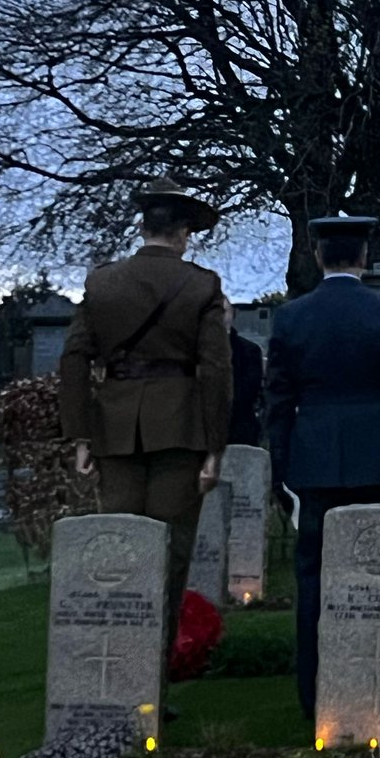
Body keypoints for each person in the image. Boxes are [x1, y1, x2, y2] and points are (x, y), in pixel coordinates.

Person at [59, 177, 232, 653]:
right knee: (168, 559)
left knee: (115, 556)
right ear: (182, 234)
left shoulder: (101, 282)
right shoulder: (201, 285)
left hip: (113, 432)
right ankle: (151, 679)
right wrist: (215, 448)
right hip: (179, 432)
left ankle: (110, 671)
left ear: (143, 228)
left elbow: (74, 359)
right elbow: (216, 369)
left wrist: (80, 437)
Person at [266, 216, 380, 719]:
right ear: (361, 258)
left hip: (314, 463)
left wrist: (281, 469)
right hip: (377, 458)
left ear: (318, 257)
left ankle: (314, 691)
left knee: (313, 577)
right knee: (378, 577)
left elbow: (278, 401)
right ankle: (377, 682)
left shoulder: (292, 317)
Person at [223, 297, 264, 446]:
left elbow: (249, 391)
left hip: (239, 429)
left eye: (223, 311)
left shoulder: (249, 350)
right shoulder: (194, 350)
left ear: (233, 313)